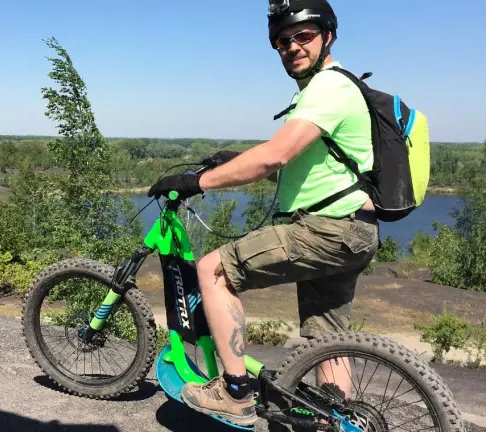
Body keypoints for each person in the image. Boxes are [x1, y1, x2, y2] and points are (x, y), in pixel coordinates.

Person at [146, 0, 380, 427]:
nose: (292, 46)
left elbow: (274, 156)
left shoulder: (328, 88)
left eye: (303, 35)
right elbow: (297, 169)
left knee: (213, 269)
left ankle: (234, 392)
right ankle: (335, 418)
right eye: (282, 41)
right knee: (328, 338)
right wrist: (232, 160)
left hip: (327, 229)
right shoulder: (328, 89)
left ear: (328, 35)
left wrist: (197, 181)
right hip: (353, 230)